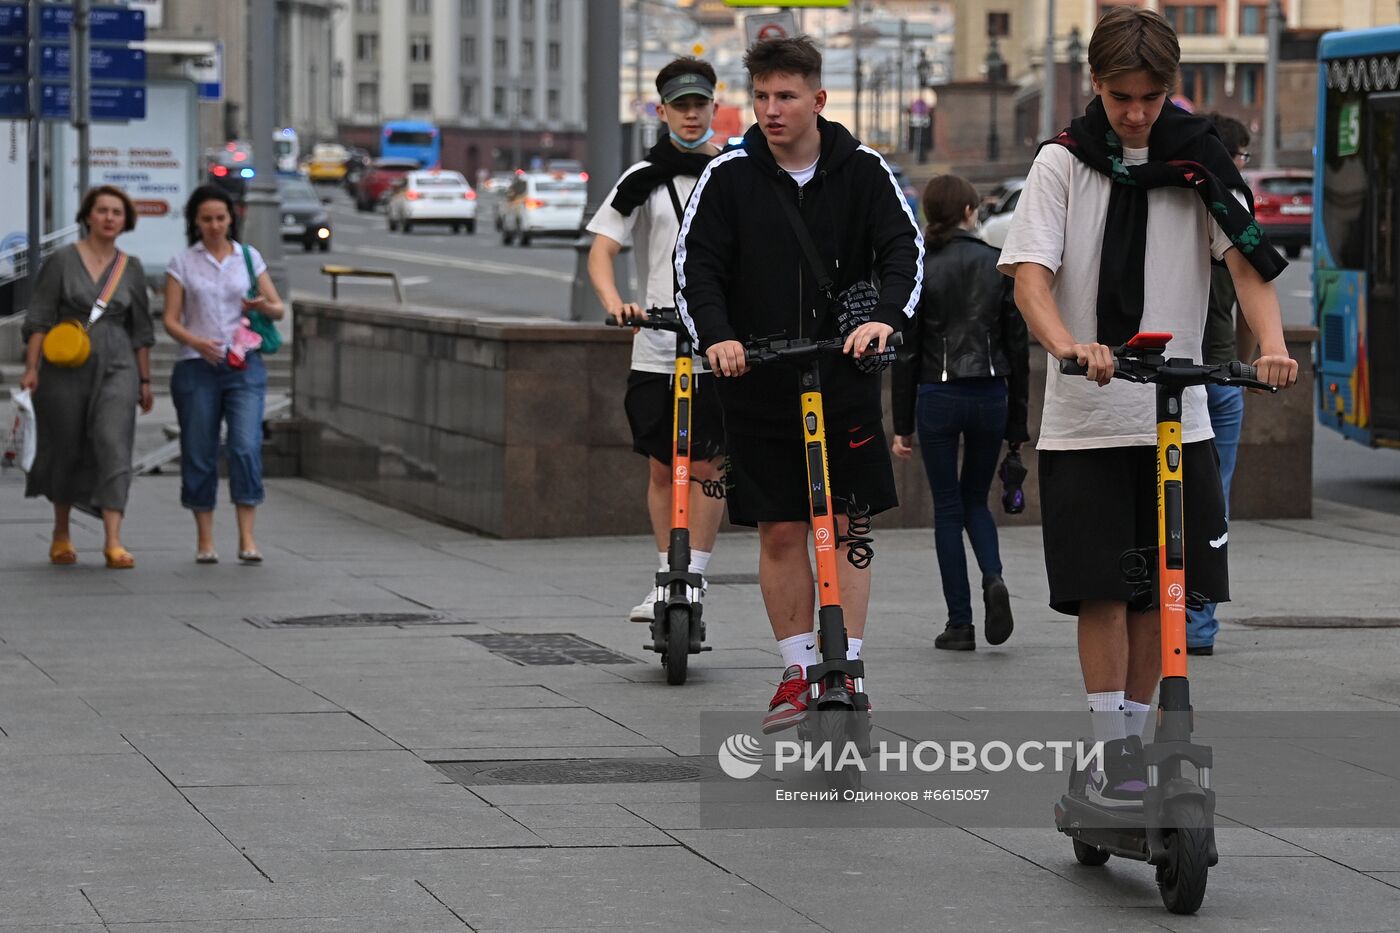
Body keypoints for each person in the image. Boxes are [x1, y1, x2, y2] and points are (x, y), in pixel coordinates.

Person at [996, 6, 1297, 808]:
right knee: (1104, 589)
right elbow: (1030, 276)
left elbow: (1246, 265)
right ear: (1095, 84)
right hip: (1086, 418)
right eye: (1121, 96)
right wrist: (1068, 344)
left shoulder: (1198, 161)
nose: (1134, 113)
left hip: (1176, 415)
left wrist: (1270, 344)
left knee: (1163, 590)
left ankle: (1138, 744)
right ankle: (1111, 751)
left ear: (1172, 90)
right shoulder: (1063, 161)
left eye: (1150, 97)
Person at [675, 36, 923, 733]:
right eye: (761, 97)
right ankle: (795, 668)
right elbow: (697, 268)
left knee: (850, 524)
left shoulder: (864, 171)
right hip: (754, 378)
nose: (771, 110)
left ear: (818, 99)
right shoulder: (729, 175)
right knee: (782, 530)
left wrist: (881, 320)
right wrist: (718, 337)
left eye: (785, 96)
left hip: (841, 374)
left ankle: (848, 666)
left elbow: (906, 251)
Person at [586, 57, 727, 622]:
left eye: (700, 105)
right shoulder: (641, 177)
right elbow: (602, 249)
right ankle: (667, 570)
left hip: (719, 342)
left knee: (711, 465)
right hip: (657, 341)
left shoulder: (737, 171)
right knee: (662, 464)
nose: (691, 116)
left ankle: (691, 575)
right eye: (680, 106)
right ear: (662, 111)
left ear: (714, 107)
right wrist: (617, 304)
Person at [891, 174, 1029, 652]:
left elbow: (906, 353)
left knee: (947, 509)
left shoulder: (921, 270)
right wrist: (1017, 424)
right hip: (991, 394)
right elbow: (1018, 349)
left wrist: (902, 426)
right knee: (977, 500)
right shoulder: (997, 266)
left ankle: (960, 623)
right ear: (971, 211)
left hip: (937, 396)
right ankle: (993, 575)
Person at [20, 185, 155, 568]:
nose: (110, 217)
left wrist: (145, 382)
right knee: (66, 445)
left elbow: (141, 330)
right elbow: (40, 319)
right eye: (102, 210)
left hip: (117, 364)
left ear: (125, 220)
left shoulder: (131, 267)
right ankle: (61, 532)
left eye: (117, 212)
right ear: (88, 216)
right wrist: (31, 369)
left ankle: (113, 540)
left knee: (114, 441)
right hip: (64, 365)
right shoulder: (62, 260)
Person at [162, 185, 285, 565]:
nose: (214, 225)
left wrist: (262, 304)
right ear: (195, 223)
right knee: (199, 449)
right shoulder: (183, 262)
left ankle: (247, 538)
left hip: (243, 364)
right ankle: (205, 540)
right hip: (197, 365)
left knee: (245, 445)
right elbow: (170, 319)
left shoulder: (248, 258)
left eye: (220, 218)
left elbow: (278, 309)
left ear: (232, 218)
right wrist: (196, 342)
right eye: (206, 219)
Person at [1186, 113, 1253, 657]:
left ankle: (1167, 612)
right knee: (1215, 502)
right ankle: (1200, 626)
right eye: (1245, 156)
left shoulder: (1174, 199)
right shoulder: (1234, 208)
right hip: (1222, 375)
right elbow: (1256, 291)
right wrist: (1251, 363)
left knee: (1166, 500)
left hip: (1173, 375)